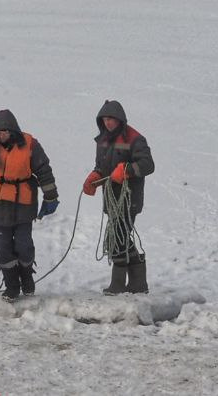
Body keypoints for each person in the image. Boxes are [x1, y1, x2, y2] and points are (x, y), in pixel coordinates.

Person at [0, 109, 59, 300]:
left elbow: (43, 170)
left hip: (23, 204)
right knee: (2, 247)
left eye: (4, 131)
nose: (0, 135)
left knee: (24, 246)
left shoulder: (29, 144)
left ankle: (27, 278)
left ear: (13, 131)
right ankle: (12, 285)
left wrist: (51, 196)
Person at [83, 99, 155, 294]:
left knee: (118, 238)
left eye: (111, 119)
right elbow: (103, 167)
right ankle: (138, 283)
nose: (108, 123)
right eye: (105, 119)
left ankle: (118, 284)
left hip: (129, 198)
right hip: (111, 198)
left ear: (120, 120)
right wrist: (95, 176)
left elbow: (148, 165)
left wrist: (127, 170)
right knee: (120, 237)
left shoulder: (135, 139)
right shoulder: (103, 140)